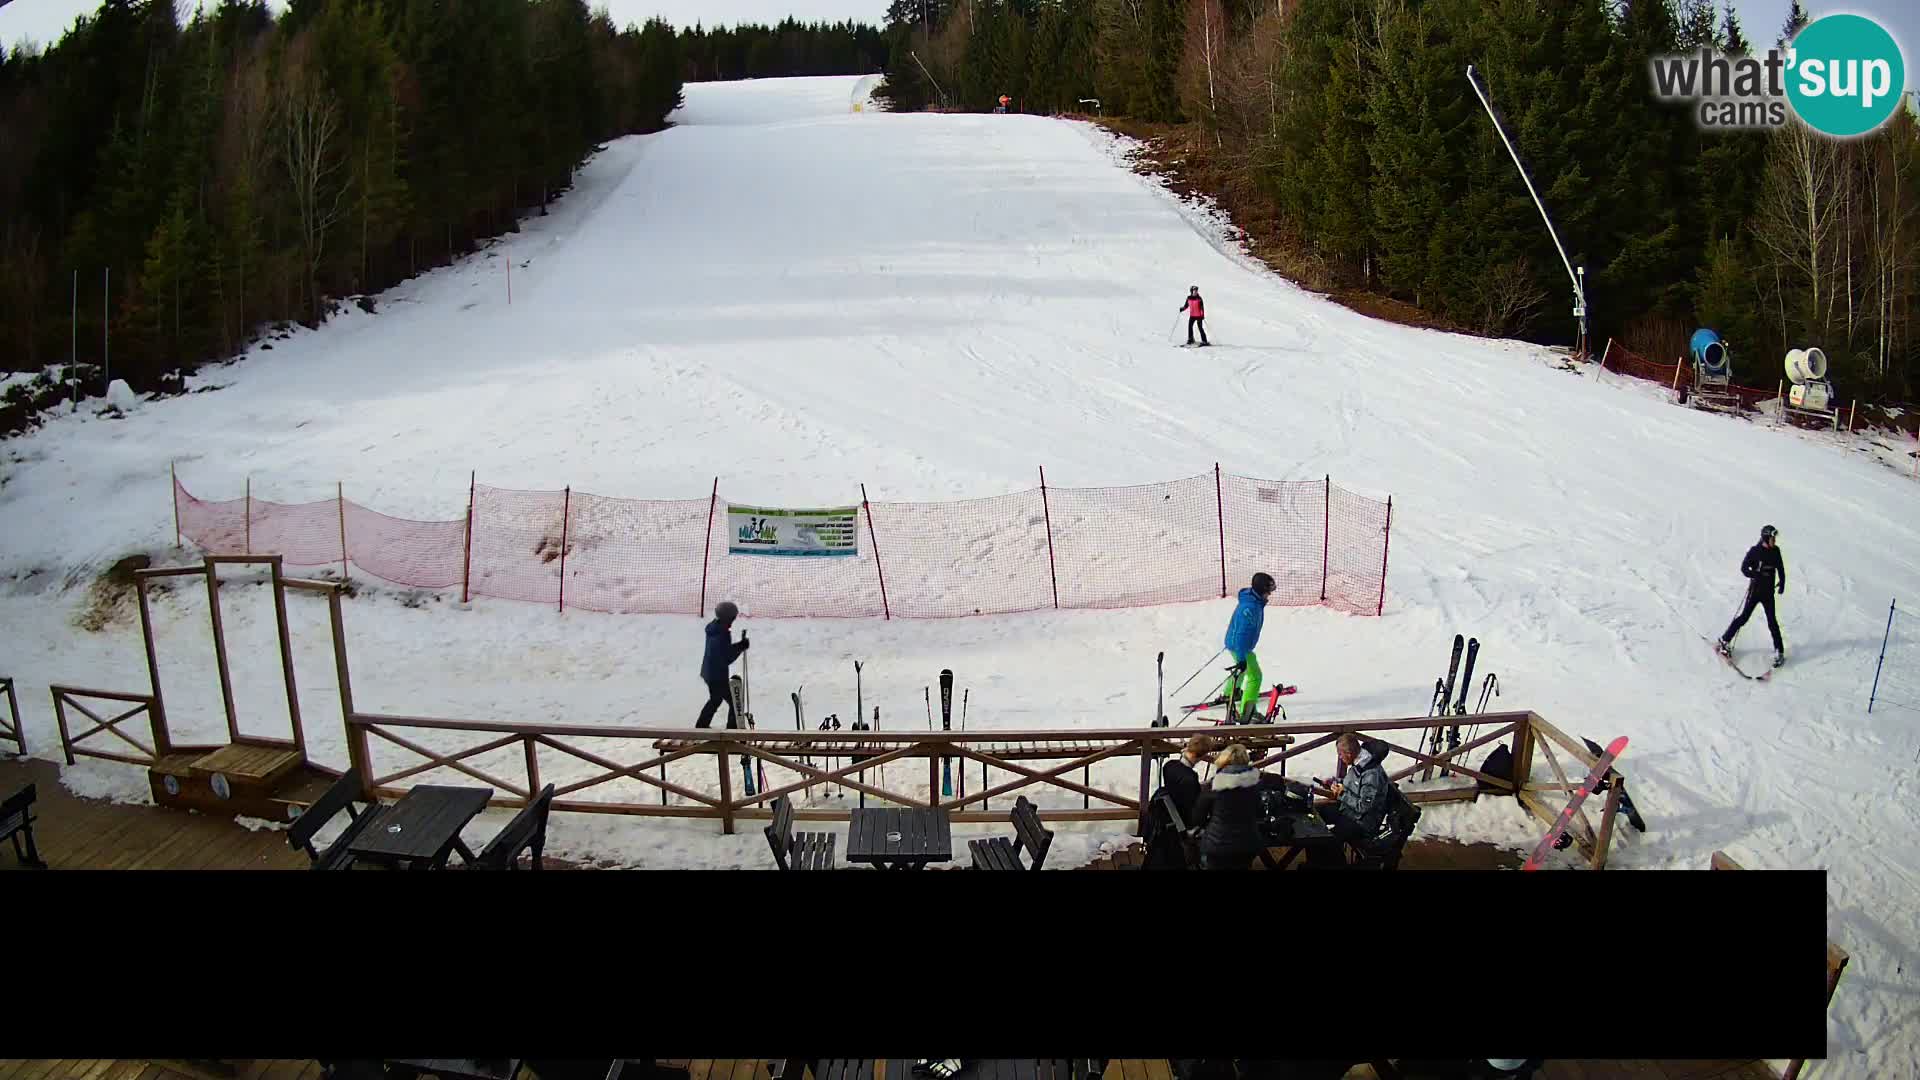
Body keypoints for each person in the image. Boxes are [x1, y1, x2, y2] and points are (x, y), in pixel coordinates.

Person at [1718, 524, 1786, 666]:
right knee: (1743, 618)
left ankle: (1779, 651)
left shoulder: (1776, 551)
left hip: (1768, 593)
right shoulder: (1755, 551)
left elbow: (1780, 568)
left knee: (1772, 622)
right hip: (1755, 592)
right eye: (1773, 538)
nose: (1775, 541)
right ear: (1766, 538)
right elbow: (1744, 568)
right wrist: (1754, 573)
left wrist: (1782, 583)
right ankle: (1724, 640)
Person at [1191, 743, 1264, 870]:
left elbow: (1198, 818)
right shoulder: (1255, 784)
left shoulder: (1214, 785)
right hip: (1247, 844)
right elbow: (1260, 812)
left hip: (1217, 845)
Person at [1320, 732, 1391, 846]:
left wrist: (1342, 794)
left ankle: (1333, 863)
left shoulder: (1370, 774)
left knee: (1325, 840)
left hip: (1362, 822)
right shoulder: (1360, 762)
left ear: (1348, 754)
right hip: (1349, 811)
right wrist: (1334, 782)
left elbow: (1363, 806)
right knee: (1317, 814)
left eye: (1340, 754)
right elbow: (1352, 783)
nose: (1339, 757)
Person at [1222, 572, 1275, 722]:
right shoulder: (1250, 607)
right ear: (1261, 590)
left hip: (1238, 645)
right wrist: (1241, 657)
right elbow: (1241, 632)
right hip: (1241, 646)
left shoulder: (1254, 601)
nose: (1269, 594)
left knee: (1242, 671)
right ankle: (1248, 711)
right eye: (1268, 590)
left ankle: (1229, 693)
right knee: (1255, 676)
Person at [695, 601, 750, 728]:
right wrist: (741, 646)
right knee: (733, 701)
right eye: (732, 618)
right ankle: (731, 728)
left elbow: (724, 652)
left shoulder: (715, 628)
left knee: (716, 699)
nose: (733, 621)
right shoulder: (721, 634)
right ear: (727, 618)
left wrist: (739, 645)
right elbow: (727, 656)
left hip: (710, 672)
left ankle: (702, 726)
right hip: (716, 675)